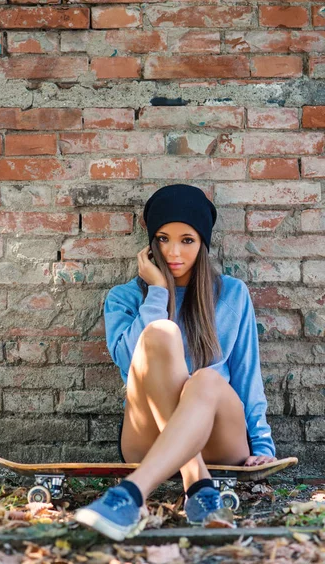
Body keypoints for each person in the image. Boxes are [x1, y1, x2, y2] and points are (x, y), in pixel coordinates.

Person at [74, 184, 276, 541]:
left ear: (203, 245)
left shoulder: (231, 294)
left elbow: (247, 375)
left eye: (187, 240)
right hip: (147, 434)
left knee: (207, 380)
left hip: (220, 436)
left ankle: (132, 495)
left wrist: (262, 447)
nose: (173, 252)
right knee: (161, 333)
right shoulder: (124, 298)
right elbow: (127, 360)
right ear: (150, 244)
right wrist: (157, 293)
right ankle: (197, 483)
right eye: (164, 239)